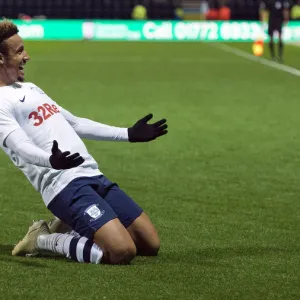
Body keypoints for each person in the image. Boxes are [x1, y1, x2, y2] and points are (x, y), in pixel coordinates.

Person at [0, 19, 168, 265]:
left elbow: (75, 123)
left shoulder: (31, 88)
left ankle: (69, 224)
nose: (27, 56)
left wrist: (128, 134)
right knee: (122, 251)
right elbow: (19, 147)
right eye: (19, 51)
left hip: (92, 175)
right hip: (63, 186)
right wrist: (50, 160)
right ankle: (41, 239)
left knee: (149, 244)